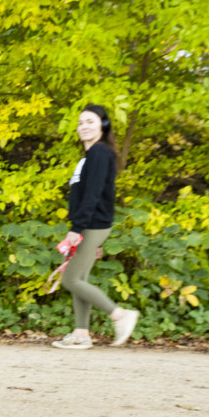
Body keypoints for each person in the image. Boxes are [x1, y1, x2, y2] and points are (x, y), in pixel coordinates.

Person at [52, 104, 139, 349]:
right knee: (80, 278)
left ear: (103, 125)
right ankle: (81, 334)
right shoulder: (91, 156)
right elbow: (93, 194)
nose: (84, 127)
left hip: (90, 225)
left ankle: (119, 315)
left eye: (90, 121)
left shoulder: (100, 153)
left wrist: (77, 228)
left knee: (71, 280)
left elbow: (93, 195)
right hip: (92, 225)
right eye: (80, 123)